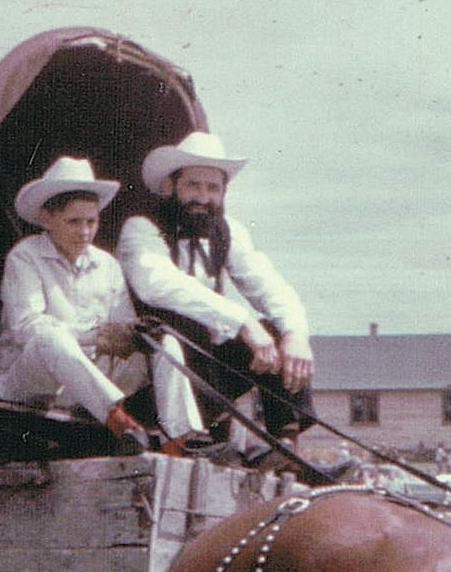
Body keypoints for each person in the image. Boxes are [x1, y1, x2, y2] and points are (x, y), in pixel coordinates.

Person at [114, 131, 315, 454]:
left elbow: (268, 284)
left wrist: (296, 335)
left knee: (279, 333)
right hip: (148, 379)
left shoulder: (227, 232)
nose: (203, 197)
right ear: (170, 186)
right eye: (193, 185)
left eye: (213, 188)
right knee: (184, 337)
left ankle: (285, 449)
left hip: (204, 374)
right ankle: (186, 440)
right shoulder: (142, 227)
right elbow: (158, 284)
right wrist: (243, 323)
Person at [0, 157, 204, 452]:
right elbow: (28, 328)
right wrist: (95, 335)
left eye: (91, 221)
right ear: (47, 219)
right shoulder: (25, 257)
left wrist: (134, 335)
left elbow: (121, 327)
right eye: (73, 221)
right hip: (30, 381)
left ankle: (176, 442)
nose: (85, 231)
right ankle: (121, 423)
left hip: (90, 380)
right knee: (50, 335)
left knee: (163, 344)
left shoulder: (107, 265)